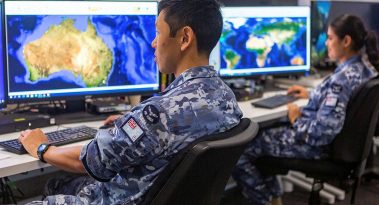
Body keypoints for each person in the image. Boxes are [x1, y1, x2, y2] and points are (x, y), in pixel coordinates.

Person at [19, 0, 243, 204]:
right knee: (55, 184)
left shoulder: (157, 114)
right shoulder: (226, 97)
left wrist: (41, 147)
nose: (154, 43)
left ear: (184, 38)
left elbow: (88, 162)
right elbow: (174, 129)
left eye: (158, 32)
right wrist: (131, 124)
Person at [232, 14, 379, 205]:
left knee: (241, 149)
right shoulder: (364, 69)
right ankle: (275, 198)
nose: (327, 43)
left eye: (330, 38)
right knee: (260, 134)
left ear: (346, 41)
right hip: (342, 147)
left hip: (319, 147)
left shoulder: (341, 80)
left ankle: (265, 200)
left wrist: (296, 119)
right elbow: (343, 102)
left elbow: (323, 132)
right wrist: (313, 95)